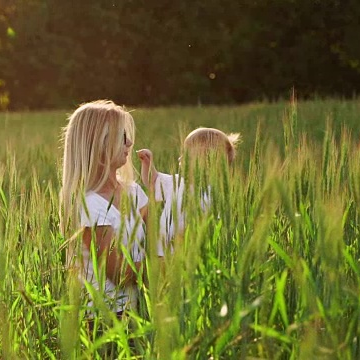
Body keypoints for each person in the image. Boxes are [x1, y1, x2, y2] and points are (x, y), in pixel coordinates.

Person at [60, 100, 148, 318]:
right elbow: (120, 273)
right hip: (108, 320)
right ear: (98, 142)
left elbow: (162, 233)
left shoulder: (134, 191)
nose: (130, 143)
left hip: (141, 311)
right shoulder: (89, 206)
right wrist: (171, 263)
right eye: (122, 137)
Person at [137, 127, 241, 256]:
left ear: (207, 162)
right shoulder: (176, 183)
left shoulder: (211, 196)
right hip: (162, 254)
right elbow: (152, 182)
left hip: (188, 255)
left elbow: (209, 228)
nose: (180, 158)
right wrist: (148, 163)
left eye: (187, 154)